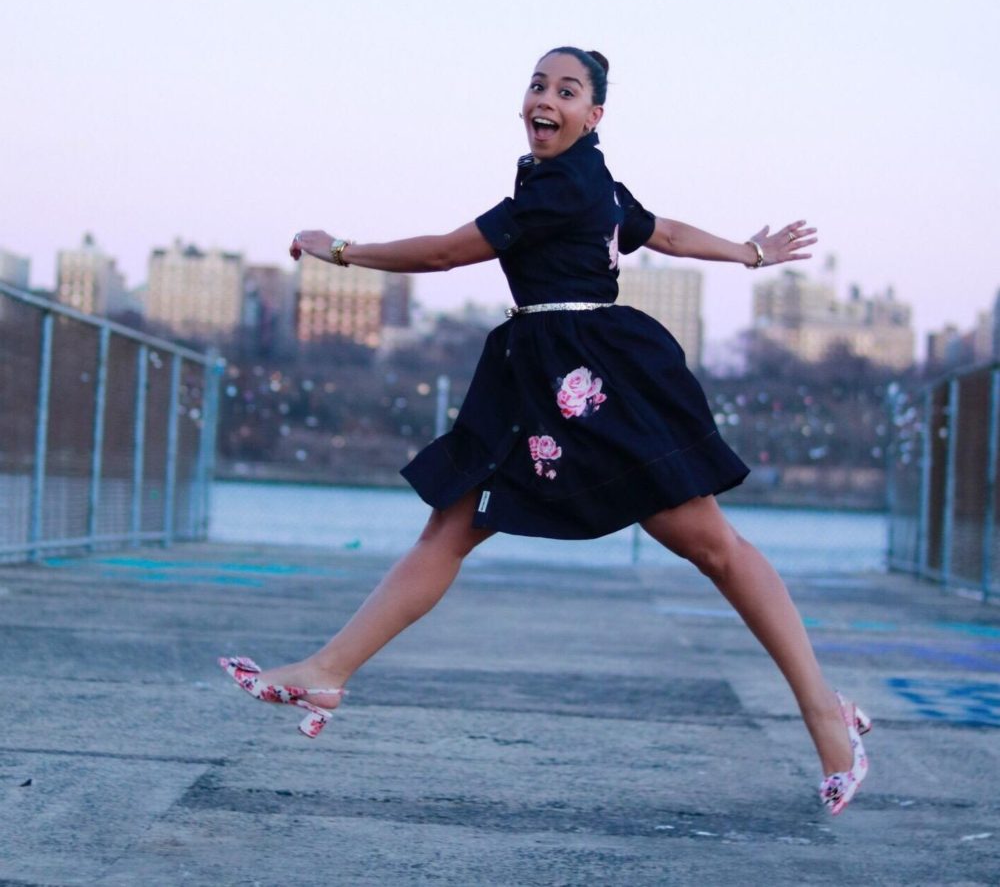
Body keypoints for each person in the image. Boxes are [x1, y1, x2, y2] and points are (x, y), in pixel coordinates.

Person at [220, 46, 871, 815]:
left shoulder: (563, 184)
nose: (547, 99)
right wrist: (748, 251)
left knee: (715, 549)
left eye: (568, 91)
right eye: (538, 85)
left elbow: (445, 252)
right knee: (449, 529)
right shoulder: (580, 178)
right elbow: (658, 230)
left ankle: (827, 716)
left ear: (594, 115)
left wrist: (342, 250)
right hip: (533, 372)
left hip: (589, 380)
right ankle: (327, 671)